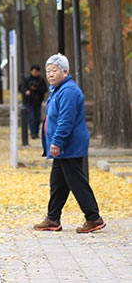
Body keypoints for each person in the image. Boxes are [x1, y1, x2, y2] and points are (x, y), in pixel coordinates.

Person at [33, 53, 106, 233]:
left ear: (65, 71)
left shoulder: (69, 91)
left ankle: (93, 217)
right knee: (58, 183)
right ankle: (52, 218)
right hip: (65, 147)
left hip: (69, 146)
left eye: (54, 70)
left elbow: (65, 120)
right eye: (48, 71)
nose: (50, 74)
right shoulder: (59, 90)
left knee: (77, 182)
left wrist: (57, 142)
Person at [22, 65, 47, 139]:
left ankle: (36, 132)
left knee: (37, 117)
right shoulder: (27, 79)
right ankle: (33, 133)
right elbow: (22, 87)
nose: (35, 73)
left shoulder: (41, 80)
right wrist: (27, 91)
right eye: (33, 71)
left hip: (38, 101)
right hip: (29, 101)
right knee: (31, 117)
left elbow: (44, 89)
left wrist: (37, 89)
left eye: (36, 71)